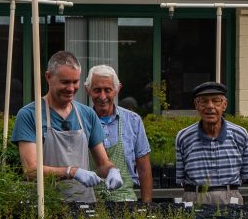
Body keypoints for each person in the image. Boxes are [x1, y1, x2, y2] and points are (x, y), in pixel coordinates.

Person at [11, 51, 123, 203]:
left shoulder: (87, 114)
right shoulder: (30, 115)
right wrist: (71, 171)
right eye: (65, 82)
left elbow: (102, 163)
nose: (71, 88)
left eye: (75, 82)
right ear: (48, 77)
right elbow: (31, 170)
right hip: (47, 206)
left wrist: (111, 170)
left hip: (85, 206)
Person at [175, 81, 248, 205]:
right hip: (194, 198)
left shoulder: (240, 135)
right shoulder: (184, 137)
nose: (210, 106)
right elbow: (180, 177)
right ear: (196, 105)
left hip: (230, 198)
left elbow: (246, 175)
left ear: (224, 105)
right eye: (204, 101)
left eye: (216, 101)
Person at [85, 65, 153, 202]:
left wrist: (147, 206)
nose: (102, 96)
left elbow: (144, 168)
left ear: (117, 89)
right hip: (88, 201)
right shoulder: (81, 120)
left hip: (126, 201)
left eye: (107, 90)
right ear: (88, 90)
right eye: (97, 90)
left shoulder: (133, 121)